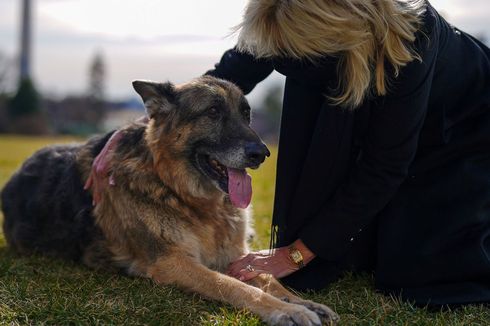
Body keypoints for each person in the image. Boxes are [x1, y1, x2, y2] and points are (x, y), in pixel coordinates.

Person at [86, 0, 490, 306]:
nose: (284, 59)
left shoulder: (411, 39)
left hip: (461, 125)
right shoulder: (278, 16)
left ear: (335, 36)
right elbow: (216, 85)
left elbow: (385, 164)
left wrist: (294, 255)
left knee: (421, 276)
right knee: (345, 257)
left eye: (296, 54)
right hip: (368, 97)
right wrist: (133, 134)